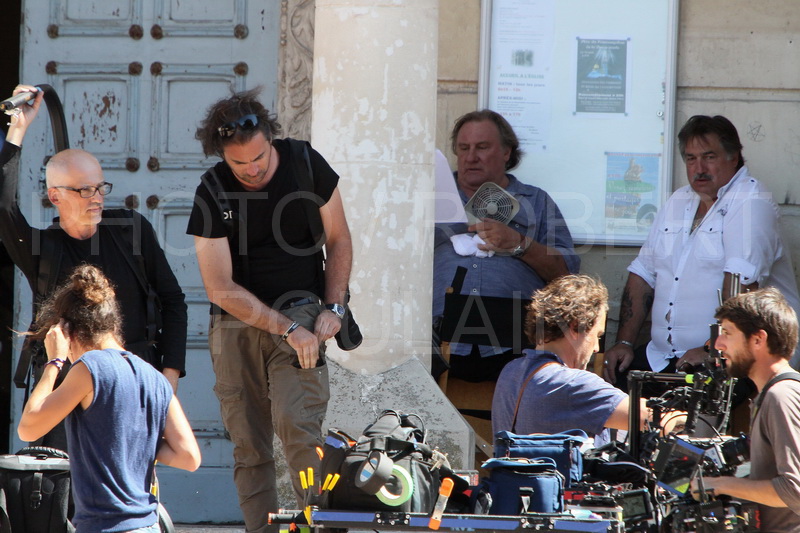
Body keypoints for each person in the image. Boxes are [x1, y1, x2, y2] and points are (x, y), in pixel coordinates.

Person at [187, 88, 353, 532]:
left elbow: (339, 239)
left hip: (301, 309)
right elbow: (220, 288)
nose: (252, 169)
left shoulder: (304, 163)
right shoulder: (211, 189)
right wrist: (285, 329)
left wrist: (335, 305)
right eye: (239, 164)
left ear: (270, 138)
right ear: (223, 156)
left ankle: (318, 524)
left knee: (300, 429)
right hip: (237, 323)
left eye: (258, 157)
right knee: (249, 445)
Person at [0, 85, 188, 395]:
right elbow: (5, 208)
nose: (97, 198)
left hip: (136, 379)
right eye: (85, 190)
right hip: (67, 390)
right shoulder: (43, 250)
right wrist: (17, 130)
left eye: (100, 187)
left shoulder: (130, 229)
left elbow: (173, 301)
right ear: (55, 196)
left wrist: (168, 379)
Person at [604, 115, 800, 392]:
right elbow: (643, 274)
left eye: (709, 157)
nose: (699, 168)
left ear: (734, 157)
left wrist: (712, 348)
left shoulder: (750, 201)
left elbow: (741, 287)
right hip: (663, 355)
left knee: (691, 424)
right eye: (690, 159)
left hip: (733, 358)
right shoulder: (679, 200)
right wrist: (624, 342)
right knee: (614, 392)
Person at [17, 264, 201, 533]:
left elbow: (28, 427)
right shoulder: (155, 378)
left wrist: (54, 361)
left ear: (69, 334)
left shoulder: (89, 368)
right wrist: (132, 440)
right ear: (114, 324)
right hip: (148, 525)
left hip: (106, 525)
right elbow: (189, 457)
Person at [433, 110, 579, 381]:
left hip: (513, 341)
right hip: (437, 338)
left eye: (482, 147)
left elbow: (566, 276)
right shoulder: (431, 194)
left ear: (506, 153)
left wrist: (519, 243)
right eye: (463, 148)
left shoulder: (536, 201)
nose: (471, 157)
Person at [690, 288, 800, 532]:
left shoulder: (781, 396)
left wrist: (718, 484)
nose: (718, 344)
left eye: (727, 333)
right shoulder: (771, 394)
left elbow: (795, 491)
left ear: (758, 339)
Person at [492, 275, 644, 437]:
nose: (596, 348)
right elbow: (651, 418)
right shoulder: (573, 383)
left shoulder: (511, 371)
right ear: (574, 327)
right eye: (597, 336)